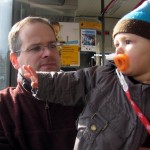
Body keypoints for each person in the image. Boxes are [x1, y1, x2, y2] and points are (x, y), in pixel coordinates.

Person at [24, 1, 150, 150]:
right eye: (116, 44)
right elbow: (70, 82)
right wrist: (42, 81)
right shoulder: (102, 76)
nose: (119, 50)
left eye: (128, 41)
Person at [0, 16, 83, 150]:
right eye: (35, 48)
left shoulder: (85, 98)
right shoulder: (4, 107)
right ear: (15, 60)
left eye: (52, 45)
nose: (48, 53)